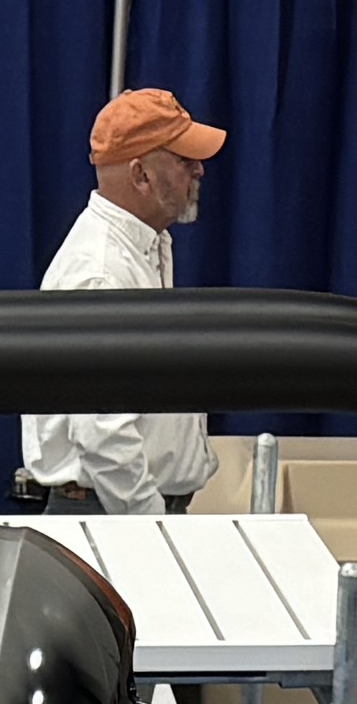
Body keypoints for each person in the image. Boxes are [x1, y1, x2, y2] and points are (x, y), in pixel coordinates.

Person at [18, 90, 225, 512]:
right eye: (184, 160)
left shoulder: (143, 247)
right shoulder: (100, 273)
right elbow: (101, 429)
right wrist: (149, 519)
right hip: (115, 514)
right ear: (141, 175)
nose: (199, 170)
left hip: (120, 510)